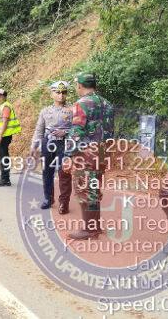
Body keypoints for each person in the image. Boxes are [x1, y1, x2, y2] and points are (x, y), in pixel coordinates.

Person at [63, 72, 114, 240]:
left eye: (76, 85)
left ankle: (89, 229)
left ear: (80, 86)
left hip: (85, 153)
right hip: (102, 151)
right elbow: (110, 131)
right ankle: (95, 226)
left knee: (84, 188)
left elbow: (76, 131)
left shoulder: (81, 104)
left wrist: (68, 155)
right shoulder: (107, 103)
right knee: (94, 187)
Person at [29, 81, 73, 213]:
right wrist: (34, 145)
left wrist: (65, 132)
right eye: (58, 92)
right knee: (47, 171)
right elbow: (39, 130)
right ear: (51, 94)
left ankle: (64, 203)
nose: (61, 95)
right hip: (47, 143)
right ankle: (48, 198)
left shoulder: (72, 110)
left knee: (64, 173)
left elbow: (78, 129)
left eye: (64, 92)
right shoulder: (45, 111)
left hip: (64, 144)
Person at [0, 88, 21, 186]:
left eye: (0, 96)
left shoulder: (6, 107)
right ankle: (4, 177)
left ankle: (5, 179)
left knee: (3, 156)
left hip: (4, 136)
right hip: (3, 136)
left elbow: (5, 122)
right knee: (3, 156)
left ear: (4, 97)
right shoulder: (2, 107)